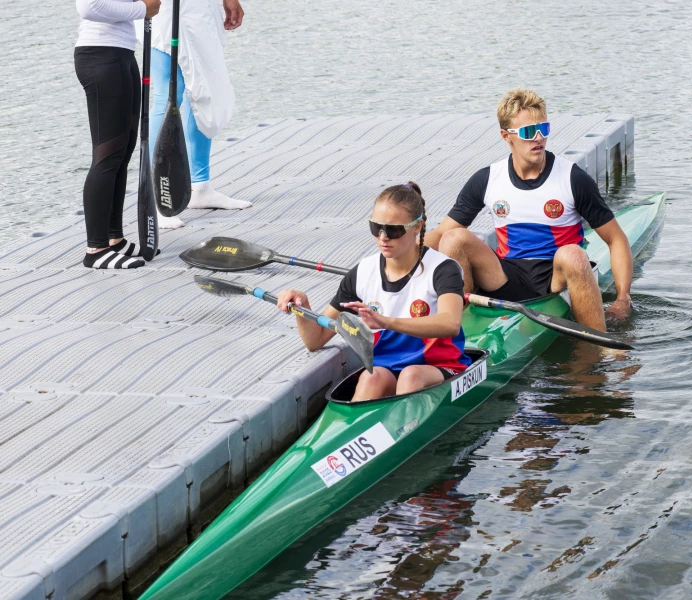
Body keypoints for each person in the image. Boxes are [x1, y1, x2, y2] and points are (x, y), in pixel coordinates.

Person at [424, 89, 634, 332]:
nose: (538, 138)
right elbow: (440, 234)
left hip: (555, 277)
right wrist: (398, 254)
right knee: (453, 238)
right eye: (528, 132)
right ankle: (460, 328)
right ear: (506, 136)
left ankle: (598, 348)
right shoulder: (488, 179)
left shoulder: (572, 178)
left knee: (573, 255)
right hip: (504, 276)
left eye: (543, 129)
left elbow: (616, 239)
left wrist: (622, 298)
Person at [277, 183, 471, 401]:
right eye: (375, 227)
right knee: (371, 377)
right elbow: (315, 340)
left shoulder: (443, 269)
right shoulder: (362, 272)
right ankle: (353, 432)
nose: (383, 237)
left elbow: (450, 324)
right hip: (386, 373)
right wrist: (301, 307)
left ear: (418, 226)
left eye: (393, 230)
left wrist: (385, 322)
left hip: (440, 367)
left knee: (411, 375)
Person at [148, 0, 251, 230]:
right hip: (165, 11)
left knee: (206, 90)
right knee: (169, 94)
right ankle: (159, 198)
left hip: (201, 11)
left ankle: (200, 187)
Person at [74, 0, 161, 268]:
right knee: (108, 155)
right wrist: (141, 10)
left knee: (123, 152)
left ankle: (115, 240)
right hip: (100, 56)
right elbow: (89, 6)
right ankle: (95, 250)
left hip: (121, 53)